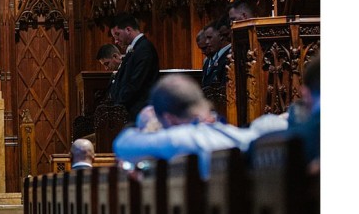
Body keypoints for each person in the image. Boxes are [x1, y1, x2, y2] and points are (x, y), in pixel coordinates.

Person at [113, 74, 286, 179]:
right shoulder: (254, 134)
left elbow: (122, 144)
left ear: (169, 119)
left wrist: (151, 125)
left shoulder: (183, 139)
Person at [108, 12, 160, 122]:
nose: (116, 41)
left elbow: (135, 83)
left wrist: (118, 104)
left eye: (117, 34)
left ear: (128, 29)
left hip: (140, 113)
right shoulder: (136, 49)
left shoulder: (144, 49)